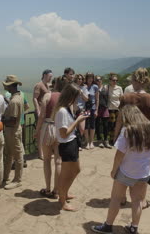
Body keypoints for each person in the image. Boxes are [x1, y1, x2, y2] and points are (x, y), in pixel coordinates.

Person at [91, 105, 150, 234]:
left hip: (126, 171)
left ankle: (108, 226)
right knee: (138, 200)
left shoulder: (127, 130)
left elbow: (119, 155)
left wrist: (113, 170)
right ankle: (134, 227)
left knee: (116, 198)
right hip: (144, 171)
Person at [113, 67, 150, 209]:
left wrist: (115, 137)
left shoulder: (126, 98)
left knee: (123, 165)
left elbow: (120, 120)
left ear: (134, 80)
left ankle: (122, 197)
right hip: (147, 136)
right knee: (143, 165)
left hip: (128, 135)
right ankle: (140, 200)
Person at [53, 83, 89, 211]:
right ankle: (62, 201)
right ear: (70, 96)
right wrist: (78, 121)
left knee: (76, 170)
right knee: (65, 174)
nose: (77, 99)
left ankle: (65, 193)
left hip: (72, 143)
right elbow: (64, 134)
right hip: (67, 145)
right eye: (76, 96)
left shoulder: (67, 108)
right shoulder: (62, 111)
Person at [35, 76, 68, 199]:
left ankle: (48, 189)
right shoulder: (65, 99)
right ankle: (56, 191)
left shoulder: (47, 96)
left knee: (47, 160)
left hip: (47, 128)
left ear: (53, 85)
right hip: (59, 129)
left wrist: (37, 130)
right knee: (58, 162)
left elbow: (42, 115)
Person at [2, 75, 25, 190]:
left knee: (17, 155)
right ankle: (5, 177)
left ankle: (17, 180)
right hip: (14, 130)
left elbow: (13, 120)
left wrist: (2, 119)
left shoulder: (14, 101)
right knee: (10, 154)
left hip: (12, 130)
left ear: (11, 86)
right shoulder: (18, 96)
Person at [33, 69, 53, 159]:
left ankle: (45, 151)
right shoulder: (39, 85)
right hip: (40, 112)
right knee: (40, 132)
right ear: (44, 75)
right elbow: (35, 98)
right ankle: (40, 153)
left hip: (46, 113)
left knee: (45, 132)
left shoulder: (47, 86)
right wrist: (38, 110)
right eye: (49, 76)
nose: (50, 78)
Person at [84, 72, 99, 149]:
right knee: (86, 125)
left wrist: (96, 110)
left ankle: (91, 142)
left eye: (91, 78)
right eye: (88, 77)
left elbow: (97, 99)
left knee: (92, 125)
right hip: (85, 108)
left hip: (92, 108)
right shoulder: (84, 86)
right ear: (86, 78)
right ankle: (87, 142)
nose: (90, 79)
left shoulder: (95, 87)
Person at [96, 75, 111, 148]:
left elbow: (108, 98)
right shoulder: (95, 88)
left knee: (105, 125)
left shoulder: (106, 88)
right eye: (97, 80)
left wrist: (107, 106)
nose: (98, 81)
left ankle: (106, 140)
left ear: (101, 80)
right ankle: (99, 140)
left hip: (104, 108)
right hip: (97, 109)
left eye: (99, 80)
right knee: (98, 125)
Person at [107, 74, 123, 146]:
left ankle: (117, 140)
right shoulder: (107, 87)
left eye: (116, 80)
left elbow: (121, 98)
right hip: (110, 109)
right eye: (113, 80)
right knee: (111, 125)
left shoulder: (119, 88)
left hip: (118, 108)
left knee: (119, 125)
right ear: (110, 80)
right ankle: (112, 140)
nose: (115, 81)